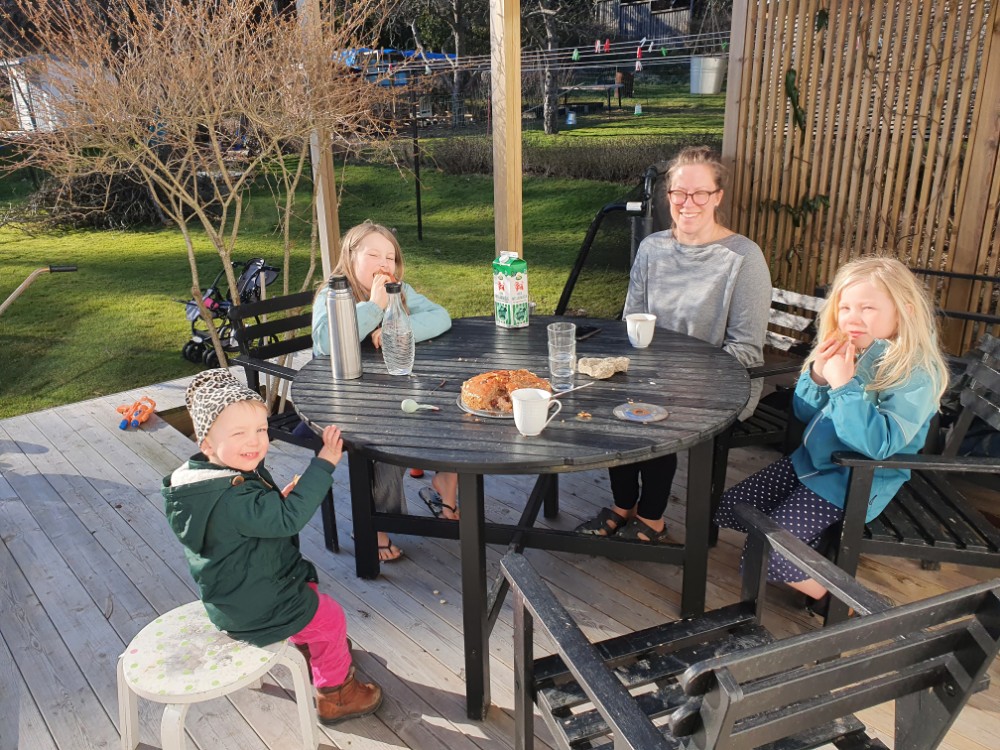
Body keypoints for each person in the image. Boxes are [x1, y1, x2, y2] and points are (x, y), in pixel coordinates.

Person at [714, 256, 949, 609]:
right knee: (730, 508)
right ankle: (804, 543)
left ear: (905, 311)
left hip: (849, 482)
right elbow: (804, 414)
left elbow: (879, 445)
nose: (852, 317)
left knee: (761, 559)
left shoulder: (916, 373)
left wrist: (844, 386)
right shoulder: (855, 347)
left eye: (868, 308)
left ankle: (839, 602)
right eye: (845, 306)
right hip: (808, 462)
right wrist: (819, 377)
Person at [161, 368, 383, 724]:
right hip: (257, 605)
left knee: (309, 594)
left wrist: (273, 504)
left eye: (261, 430)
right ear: (207, 444)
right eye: (239, 433)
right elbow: (288, 520)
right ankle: (336, 696)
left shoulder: (206, 484)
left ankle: (315, 650)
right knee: (330, 618)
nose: (255, 441)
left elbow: (243, 524)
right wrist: (324, 462)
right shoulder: (232, 496)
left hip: (236, 595)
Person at [576, 146, 772, 543]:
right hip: (652, 371)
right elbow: (632, 319)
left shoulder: (743, 258)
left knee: (656, 407)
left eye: (700, 193)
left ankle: (652, 518)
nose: (688, 202)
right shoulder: (653, 248)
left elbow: (747, 350)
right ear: (668, 196)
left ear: (717, 196)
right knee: (610, 395)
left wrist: (679, 374)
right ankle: (624, 506)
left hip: (725, 380)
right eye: (679, 193)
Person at [312, 221, 458, 562]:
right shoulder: (333, 294)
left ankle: (447, 484)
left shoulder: (400, 290)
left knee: (454, 408)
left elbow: (441, 316)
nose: (383, 264)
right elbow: (326, 343)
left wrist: (396, 327)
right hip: (344, 398)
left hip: (392, 386)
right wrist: (374, 307)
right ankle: (375, 524)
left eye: (390, 257)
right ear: (350, 257)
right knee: (387, 435)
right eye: (373, 255)